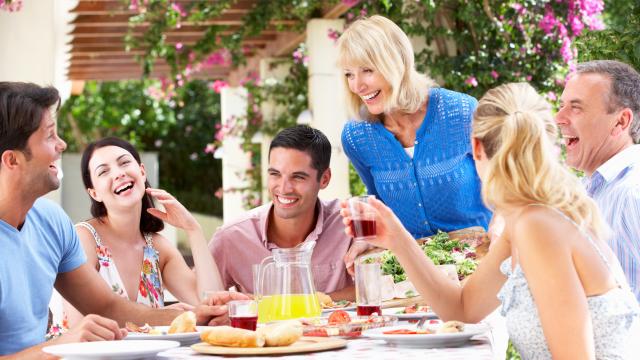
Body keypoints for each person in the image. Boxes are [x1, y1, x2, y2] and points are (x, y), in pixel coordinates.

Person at [341, 83, 639, 358]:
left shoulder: (539, 226)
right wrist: (396, 238)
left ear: (477, 147)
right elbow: (463, 309)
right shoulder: (527, 219)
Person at [0, 82, 242, 358]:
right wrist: (58, 348)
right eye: (49, 137)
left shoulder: (51, 221)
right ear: (12, 160)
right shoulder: (85, 235)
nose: (62, 145)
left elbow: (107, 306)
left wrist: (197, 315)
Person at [338, 15, 492, 242]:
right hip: (413, 267)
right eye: (349, 74)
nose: (357, 85)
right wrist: (367, 243)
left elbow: (506, 186)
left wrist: (501, 236)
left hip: (479, 257)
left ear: (397, 63)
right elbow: (378, 205)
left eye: (367, 70)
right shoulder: (357, 136)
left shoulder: (460, 112)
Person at [61, 137, 225, 326]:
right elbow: (81, 326)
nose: (118, 174)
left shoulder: (156, 248)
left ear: (142, 171)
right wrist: (161, 316)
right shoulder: (83, 239)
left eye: (124, 162)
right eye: (104, 171)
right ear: (94, 193)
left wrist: (193, 229)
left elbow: (212, 307)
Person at [209, 125, 354, 300]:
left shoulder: (349, 222)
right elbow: (203, 301)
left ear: (324, 179)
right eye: (275, 174)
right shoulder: (231, 237)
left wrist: (317, 301)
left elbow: (384, 288)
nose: (284, 188)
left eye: (298, 177)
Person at [556, 60, 640, 301]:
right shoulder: (592, 187)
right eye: (562, 106)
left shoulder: (633, 192)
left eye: (576, 107)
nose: (558, 118)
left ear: (621, 122)